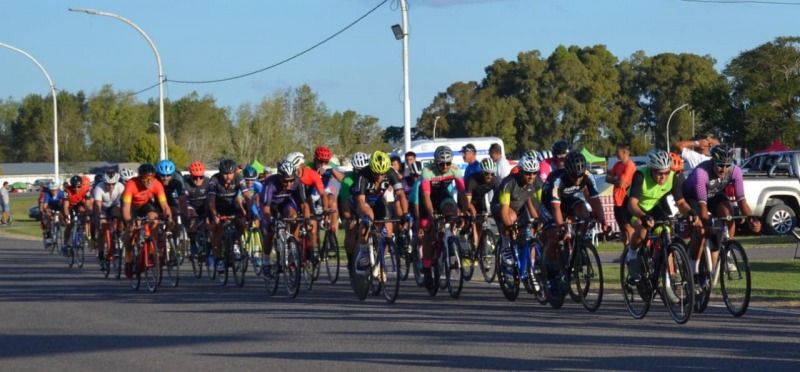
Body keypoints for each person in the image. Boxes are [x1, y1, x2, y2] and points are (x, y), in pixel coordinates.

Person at [683, 144, 761, 276]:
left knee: (728, 214)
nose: (724, 169)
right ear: (712, 161)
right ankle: (693, 269)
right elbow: (702, 204)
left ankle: (727, 253)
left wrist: (750, 218)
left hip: (714, 195)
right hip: (693, 197)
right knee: (701, 230)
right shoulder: (701, 172)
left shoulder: (735, 171)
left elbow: (741, 200)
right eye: (720, 165)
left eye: (727, 165)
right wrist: (705, 223)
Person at [540, 152, 607, 295]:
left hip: (568, 200)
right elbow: (556, 208)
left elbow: (595, 200)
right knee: (555, 236)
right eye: (574, 176)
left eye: (580, 176)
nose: (578, 179)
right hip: (550, 204)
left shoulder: (587, 176)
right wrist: (561, 226)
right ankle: (550, 274)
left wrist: (603, 221)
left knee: (584, 214)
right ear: (567, 172)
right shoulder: (558, 180)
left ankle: (579, 244)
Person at [625, 150, 696, 277]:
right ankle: (632, 254)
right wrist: (643, 216)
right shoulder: (640, 175)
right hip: (636, 208)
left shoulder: (672, 177)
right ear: (651, 170)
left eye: (666, 172)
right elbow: (632, 204)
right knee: (642, 229)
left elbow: (680, 203)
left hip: (654, 207)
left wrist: (689, 212)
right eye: (659, 173)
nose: (663, 177)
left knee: (665, 233)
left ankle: (664, 271)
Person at [419, 146, 468, 292]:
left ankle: (449, 240)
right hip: (427, 199)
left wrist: (464, 211)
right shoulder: (427, 171)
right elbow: (426, 195)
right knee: (428, 234)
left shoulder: (455, 169)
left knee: (451, 210)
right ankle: (427, 269)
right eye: (442, 164)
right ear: (436, 162)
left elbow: (462, 192)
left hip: (442, 196)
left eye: (448, 163)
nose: (445, 167)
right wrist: (430, 213)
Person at [352, 151, 409, 274]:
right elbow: (360, 200)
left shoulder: (391, 172)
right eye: (376, 174)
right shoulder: (363, 174)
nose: (379, 177)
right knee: (368, 217)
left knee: (387, 232)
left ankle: (380, 263)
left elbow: (401, 194)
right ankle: (364, 253)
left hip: (378, 200)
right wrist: (367, 216)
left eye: (382, 174)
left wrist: (405, 213)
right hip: (365, 201)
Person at [121, 164, 173, 278]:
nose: (149, 182)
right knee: (131, 231)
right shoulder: (131, 184)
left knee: (154, 219)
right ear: (140, 177)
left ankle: (150, 252)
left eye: (151, 178)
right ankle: (129, 260)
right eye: (146, 179)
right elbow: (126, 209)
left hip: (144, 204)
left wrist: (169, 218)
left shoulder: (157, 184)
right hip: (131, 206)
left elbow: (165, 206)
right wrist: (129, 221)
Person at [260, 161, 311, 274]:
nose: (289, 184)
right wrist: (269, 223)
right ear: (279, 177)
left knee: (294, 217)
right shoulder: (270, 183)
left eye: (291, 180)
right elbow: (266, 208)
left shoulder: (297, 182)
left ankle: (293, 247)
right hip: (269, 206)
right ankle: (266, 261)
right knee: (270, 232)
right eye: (285, 181)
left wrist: (307, 220)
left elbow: (304, 204)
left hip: (284, 203)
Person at [490, 156, 541, 266]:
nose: (531, 176)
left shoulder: (536, 181)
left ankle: (530, 267)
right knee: (510, 220)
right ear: (521, 172)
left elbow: (541, 203)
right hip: (500, 205)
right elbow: (504, 211)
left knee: (530, 232)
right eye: (528, 173)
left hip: (518, 206)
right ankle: (505, 247)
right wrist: (511, 227)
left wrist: (539, 219)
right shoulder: (510, 182)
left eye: (534, 173)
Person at [207, 159, 253, 273]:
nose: (228, 177)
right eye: (225, 174)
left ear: (234, 172)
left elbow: (247, 196)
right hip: (217, 206)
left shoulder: (239, 178)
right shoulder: (214, 180)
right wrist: (214, 215)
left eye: (230, 174)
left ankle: (235, 242)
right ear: (220, 173)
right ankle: (219, 259)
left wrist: (250, 211)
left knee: (242, 223)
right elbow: (211, 200)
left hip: (232, 206)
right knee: (217, 229)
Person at [337, 152, 370, 274]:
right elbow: (345, 204)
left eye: (363, 170)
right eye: (358, 171)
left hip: (362, 203)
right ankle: (351, 260)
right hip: (348, 204)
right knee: (350, 229)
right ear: (354, 169)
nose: (360, 173)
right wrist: (351, 218)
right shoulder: (347, 180)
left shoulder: (369, 177)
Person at [605, 142, 636, 263]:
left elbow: (622, 183)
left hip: (626, 199)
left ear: (624, 152)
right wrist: (615, 179)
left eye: (618, 151)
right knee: (622, 228)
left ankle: (633, 253)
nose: (616, 153)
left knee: (628, 227)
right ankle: (625, 252)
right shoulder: (617, 165)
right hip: (617, 200)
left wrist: (614, 179)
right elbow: (607, 177)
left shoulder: (629, 165)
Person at [92, 170, 125, 270]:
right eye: (108, 184)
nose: (110, 186)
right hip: (102, 208)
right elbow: (97, 206)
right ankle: (101, 254)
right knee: (102, 228)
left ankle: (118, 235)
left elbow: (124, 203)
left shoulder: (121, 187)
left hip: (114, 207)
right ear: (104, 182)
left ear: (116, 183)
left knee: (120, 215)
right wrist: (98, 219)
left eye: (113, 184)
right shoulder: (98, 188)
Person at [62, 175, 94, 255]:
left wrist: (90, 214)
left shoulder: (86, 190)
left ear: (81, 185)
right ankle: (65, 243)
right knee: (69, 224)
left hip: (80, 204)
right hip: (70, 206)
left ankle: (82, 230)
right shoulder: (67, 191)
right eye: (74, 187)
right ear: (71, 186)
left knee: (83, 211)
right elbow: (66, 206)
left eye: (78, 187)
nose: (76, 189)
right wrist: (67, 216)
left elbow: (88, 204)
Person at [183, 161, 210, 255]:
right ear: (190, 175)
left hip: (204, 205)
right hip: (191, 206)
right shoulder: (186, 184)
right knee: (192, 220)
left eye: (201, 177)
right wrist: (190, 212)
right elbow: (185, 201)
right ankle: (193, 242)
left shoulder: (208, 182)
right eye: (195, 177)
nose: (198, 179)